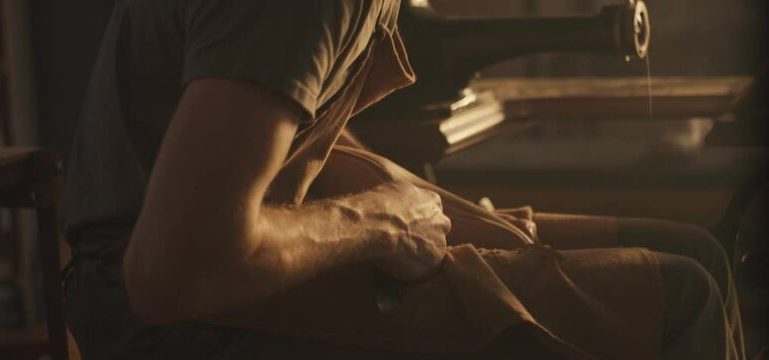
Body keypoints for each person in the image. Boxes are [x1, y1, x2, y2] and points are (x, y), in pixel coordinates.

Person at [63, 1, 744, 359]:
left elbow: (298, 147)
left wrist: (447, 215)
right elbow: (171, 271)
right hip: (176, 323)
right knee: (678, 296)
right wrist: (379, 222)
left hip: (245, 260)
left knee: (690, 250)